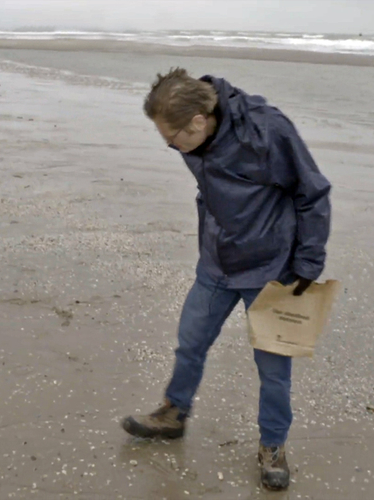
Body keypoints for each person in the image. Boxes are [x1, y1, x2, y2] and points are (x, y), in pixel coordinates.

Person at [121, 69, 331, 491]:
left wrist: (308, 264)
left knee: (273, 370)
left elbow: (313, 192)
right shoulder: (192, 133)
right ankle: (173, 413)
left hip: (271, 272)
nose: (170, 146)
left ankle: (273, 445)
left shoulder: (267, 131)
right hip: (216, 263)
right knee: (190, 341)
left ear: (200, 120)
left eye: (173, 138)